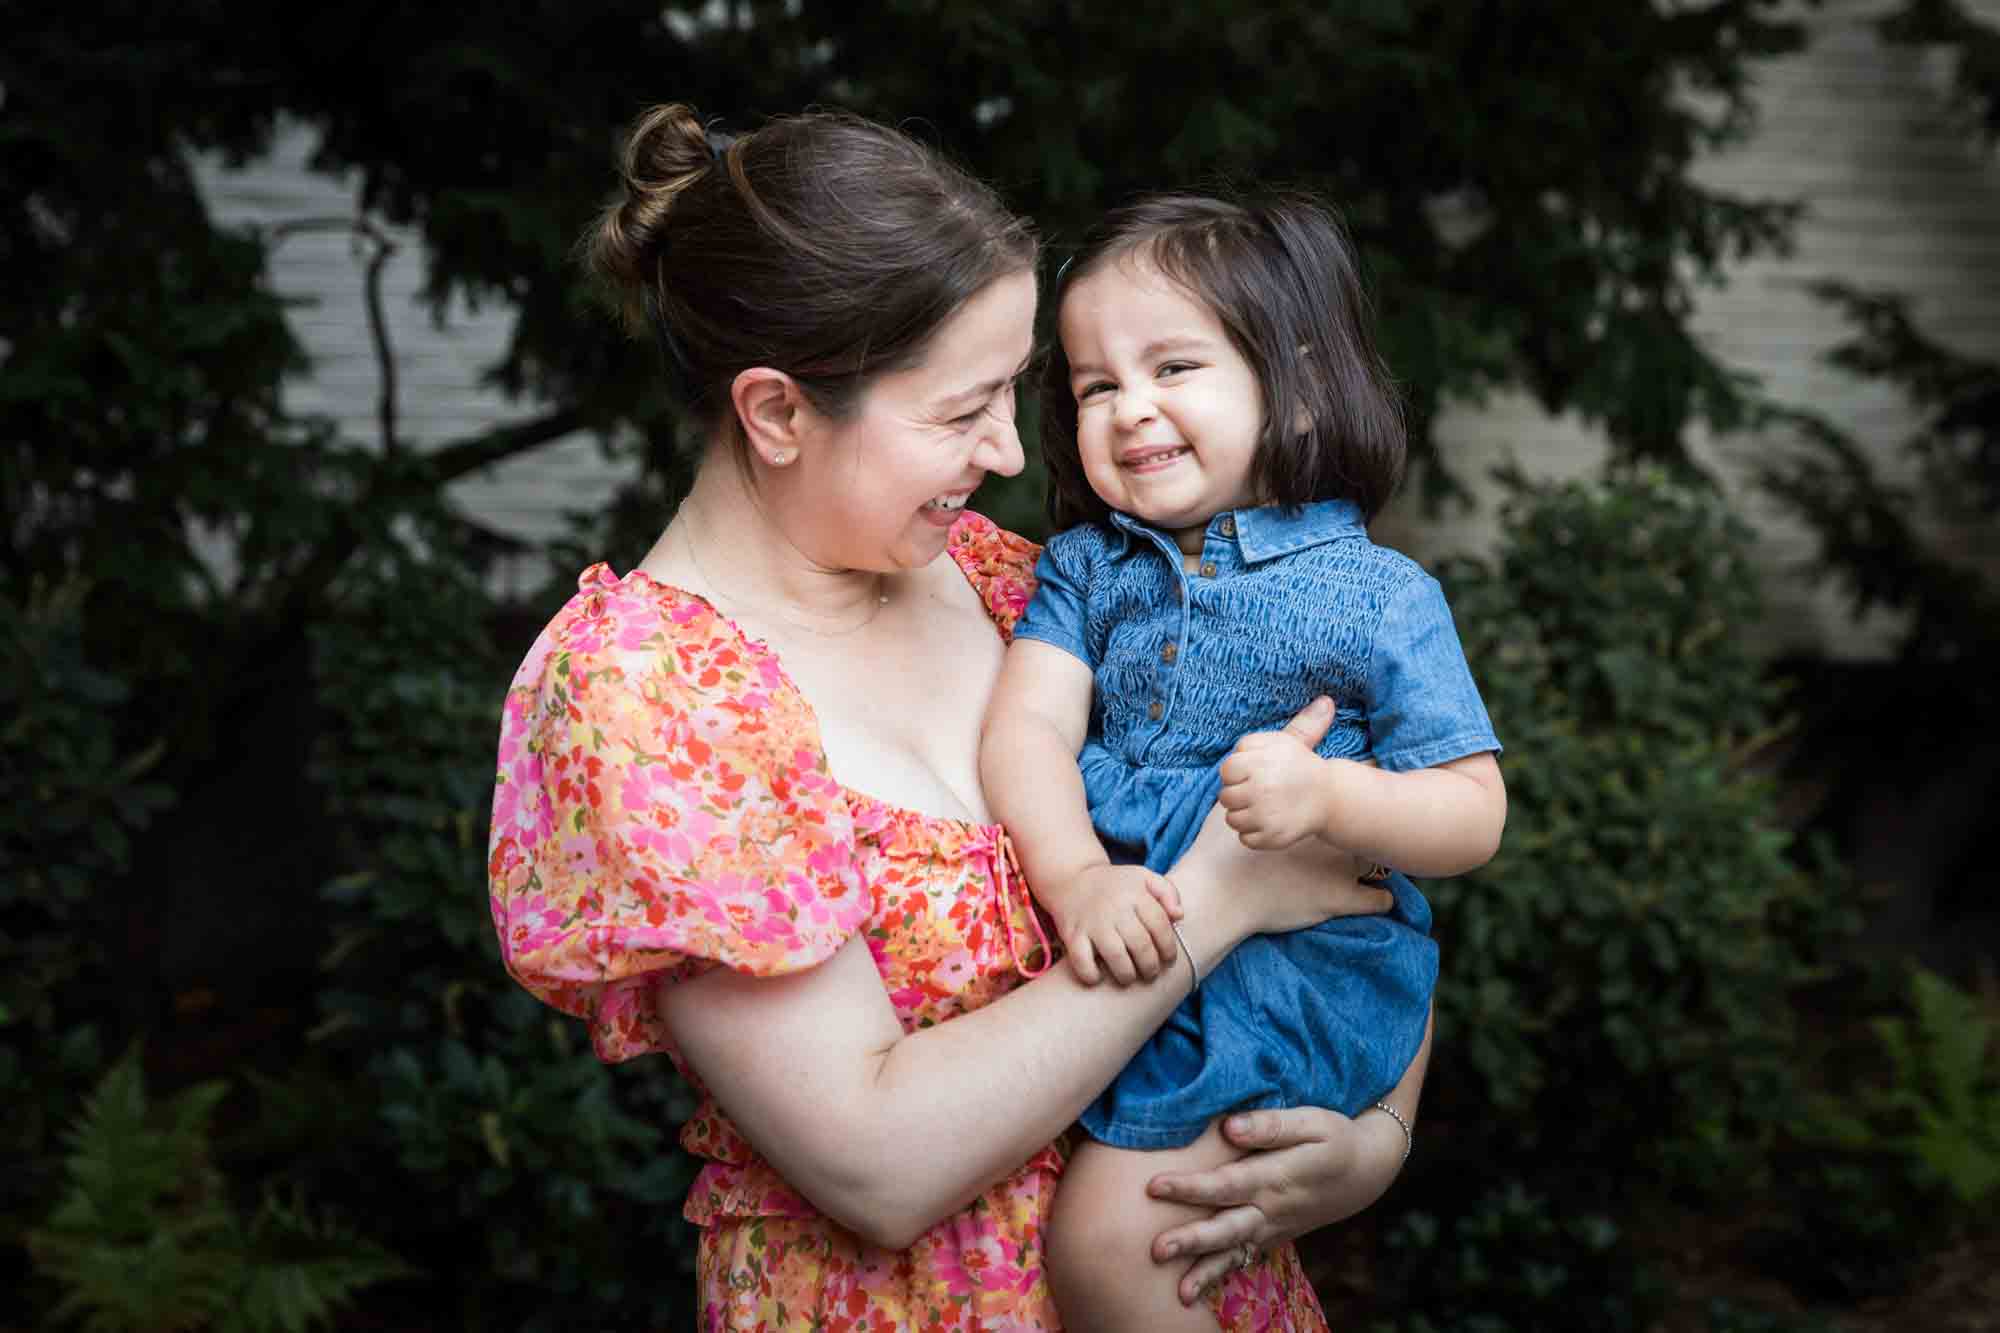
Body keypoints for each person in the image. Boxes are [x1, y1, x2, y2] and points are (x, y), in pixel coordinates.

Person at [488, 104, 1429, 1331]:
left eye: (1012, 392)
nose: (1002, 449)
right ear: (774, 413)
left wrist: (1378, 1134)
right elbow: (874, 1163)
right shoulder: (644, 697)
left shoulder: (1012, 583)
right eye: (956, 411)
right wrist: (1216, 903)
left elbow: (1353, 848)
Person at [979, 192, 1504, 1330]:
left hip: (1292, 967)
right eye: (1094, 385)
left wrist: (1330, 795)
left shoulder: (1380, 597)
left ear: (1300, 383)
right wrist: (1073, 874)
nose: (1131, 409)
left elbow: (1471, 813)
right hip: (1133, 924)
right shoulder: (1081, 570)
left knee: (1118, 1243)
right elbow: (1024, 732)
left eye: (1174, 366)